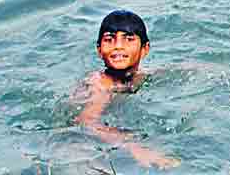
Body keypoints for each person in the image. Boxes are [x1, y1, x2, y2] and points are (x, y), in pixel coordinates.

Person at [76, 10, 178, 168]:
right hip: (79, 143)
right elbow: (86, 122)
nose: (118, 46)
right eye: (109, 40)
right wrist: (134, 146)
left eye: (128, 39)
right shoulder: (100, 85)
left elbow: (174, 71)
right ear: (99, 50)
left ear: (145, 49)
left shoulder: (140, 76)